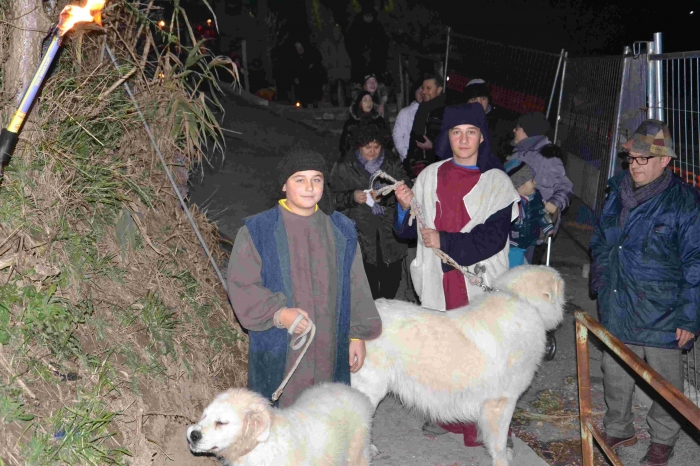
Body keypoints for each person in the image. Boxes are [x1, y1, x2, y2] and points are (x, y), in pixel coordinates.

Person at [394, 102, 520, 445]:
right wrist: (407, 207)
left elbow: (492, 240)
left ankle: (487, 424)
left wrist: (445, 240)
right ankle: (447, 416)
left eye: (471, 132)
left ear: (482, 137)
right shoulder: (430, 175)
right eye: (456, 132)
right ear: (446, 136)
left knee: (482, 355)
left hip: (476, 278)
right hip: (440, 279)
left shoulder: (496, 183)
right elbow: (409, 232)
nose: (463, 139)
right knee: (444, 351)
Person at [226, 149, 382, 408]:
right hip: (282, 347)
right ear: (284, 185)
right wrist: (278, 313)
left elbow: (356, 285)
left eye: (316, 179)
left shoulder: (341, 229)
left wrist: (356, 336)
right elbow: (242, 285)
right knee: (281, 424)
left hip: (329, 347)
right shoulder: (258, 231)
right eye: (300, 179)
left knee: (324, 417)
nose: (309, 187)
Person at [590, 119, 700, 466]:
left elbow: (697, 261)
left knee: (666, 381)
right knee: (614, 370)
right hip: (618, 298)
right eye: (631, 159)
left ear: (665, 160)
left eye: (643, 159)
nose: (635, 166)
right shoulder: (617, 189)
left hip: (662, 309)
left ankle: (663, 439)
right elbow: (602, 239)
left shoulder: (685, 203)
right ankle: (620, 426)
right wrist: (601, 280)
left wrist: (690, 315)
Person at [331, 125, 411, 299]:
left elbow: (408, 190)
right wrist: (351, 196)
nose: (373, 152)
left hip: (389, 233)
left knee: (391, 280)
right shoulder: (345, 165)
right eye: (368, 147)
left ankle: (387, 311)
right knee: (366, 283)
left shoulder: (391, 163)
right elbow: (331, 198)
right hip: (360, 233)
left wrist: (386, 196)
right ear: (359, 146)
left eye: (377, 146)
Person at [508, 112, 573, 263]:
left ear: (527, 131)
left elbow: (565, 186)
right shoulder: (520, 152)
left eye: (518, 127)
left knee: (524, 275)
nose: (514, 130)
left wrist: (555, 202)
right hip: (516, 223)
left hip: (535, 226)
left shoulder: (546, 155)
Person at [504, 160, 553, 267]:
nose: (535, 183)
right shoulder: (511, 203)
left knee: (527, 267)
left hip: (530, 239)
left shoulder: (536, 197)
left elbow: (540, 213)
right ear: (520, 186)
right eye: (531, 180)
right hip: (514, 243)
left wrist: (547, 226)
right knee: (515, 270)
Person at [404, 74, 447, 177]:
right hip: (419, 164)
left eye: (429, 88)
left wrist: (433, 147)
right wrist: (409, 160)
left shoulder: (445, 110)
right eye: (423, 88)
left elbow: (448, 139)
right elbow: (414, 136)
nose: (424, 91)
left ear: (439, 89)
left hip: (437, 165)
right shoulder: (423, 107)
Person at [462, 79, 514, 162]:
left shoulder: (502, 123)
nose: (479, 103)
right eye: (474, 99)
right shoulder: (460, 121)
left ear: (488, 99)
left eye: (483, 98)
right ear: (468, 102)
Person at [345, 6, 389, 84]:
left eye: (370, 16)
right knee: (361, 84)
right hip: (360, 63)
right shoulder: (355, 27)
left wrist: (376, 53)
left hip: (376, 63)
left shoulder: (378, 27)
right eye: (366, 16)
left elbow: (384, 44)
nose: (368, 18)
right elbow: (350, 44)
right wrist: (360, 53)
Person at [339, 90, 389, 156]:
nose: (368, 103)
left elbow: (387, 144)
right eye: (365, 100)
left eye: (370, 100)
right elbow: (344, 147)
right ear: (360, 103)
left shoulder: (379, 121)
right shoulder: (351, 124)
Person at [320, 24, 351, 107]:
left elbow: (351, 53)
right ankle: (335, 107)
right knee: (333, 91)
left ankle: (348, 107)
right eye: (334, 31)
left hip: (344, 70)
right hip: (332, 70)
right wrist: (328, 65)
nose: (336, 33)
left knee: (347, 91)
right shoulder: (327, 43)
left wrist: (348, 64)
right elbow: (323, 56)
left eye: (338, 31)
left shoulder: (345, 41)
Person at [393, 83, 423, 163]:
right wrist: (407, 155)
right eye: (418, 90)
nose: (421, 93)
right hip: (409, 160)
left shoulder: (433, 113)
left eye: (423, 89)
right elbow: (397, 136)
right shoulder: (405, 112)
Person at [292, 40, 325, 108]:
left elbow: (316, 64)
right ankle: (304, 103)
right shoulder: (295, 58)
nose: (300, 50)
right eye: (298, 48)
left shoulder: (309, 55)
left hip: (310, 78)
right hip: (302, 79)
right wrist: (295, 77)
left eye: (300, 48)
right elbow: (294, 69)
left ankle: (314, 101)